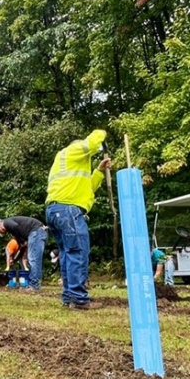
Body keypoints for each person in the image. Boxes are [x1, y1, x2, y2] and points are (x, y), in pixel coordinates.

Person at [45, 129, 111, 310]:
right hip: (68, 211)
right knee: (77, 252)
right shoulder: (70, 151)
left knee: (67, 254)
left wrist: (98, 171)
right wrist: (102, 132)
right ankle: (79, 299)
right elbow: (91, 143)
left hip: (57, 210)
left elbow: (86, 189)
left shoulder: (67, 166)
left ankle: (69, 297)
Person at [0, 217, 47, 291]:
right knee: (34, 258)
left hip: (36, 232)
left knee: (33, 259)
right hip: (37, 232)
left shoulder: (6, 223)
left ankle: (34, 285)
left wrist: (23, 240)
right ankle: (35, 284)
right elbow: (21, 249)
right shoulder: (12, 229)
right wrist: (14, 259)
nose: (2, 233)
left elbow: (15, 227)